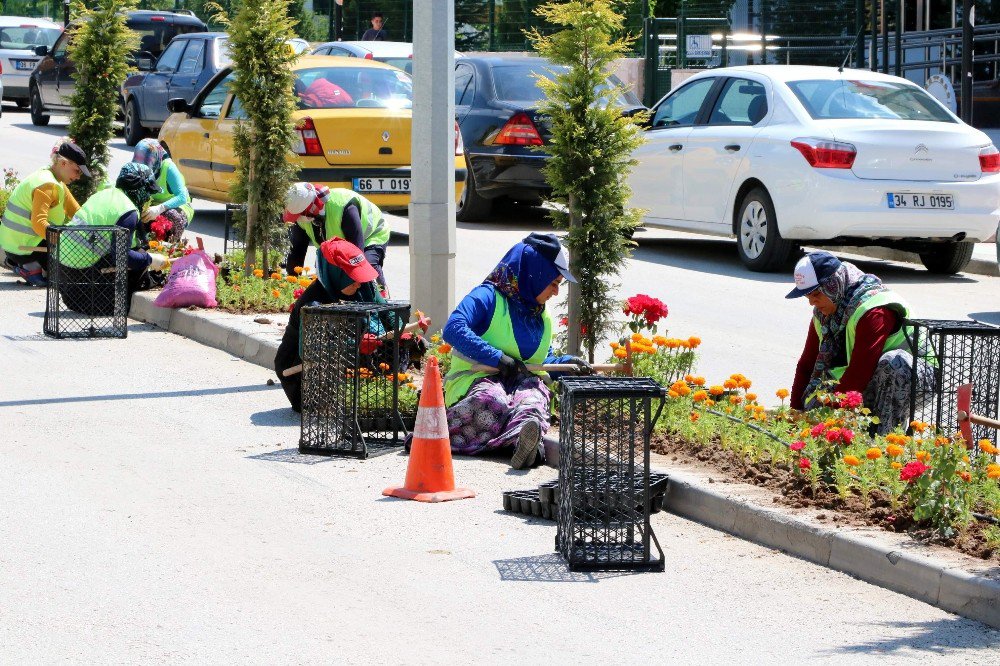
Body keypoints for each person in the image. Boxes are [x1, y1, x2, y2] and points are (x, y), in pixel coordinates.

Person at [442, 233, 592, 469]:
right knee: (495, 400)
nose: (556, 293)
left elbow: (541, 360)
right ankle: (436, 438)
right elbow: (453, 329)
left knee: (531, 403)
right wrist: (497, 358)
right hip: (477, 380)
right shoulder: (487, 296)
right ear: (535, 274)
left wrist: (567, 364)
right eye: (553, 283)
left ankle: (524, 443)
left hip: (520, 384)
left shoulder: (541, 313)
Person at [788, 251, 934, 434]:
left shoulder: (873, 309)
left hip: (917, 379)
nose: (812, 303)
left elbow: (859, 373)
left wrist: (829, 423)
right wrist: (795, 414)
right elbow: (807, 365)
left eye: (816, 294)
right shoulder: (823, 314)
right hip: (873, 375)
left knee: (892, 364)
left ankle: (883, 441)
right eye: (807, 297)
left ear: (833, 285)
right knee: (816, 399)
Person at [274, 237, 417, 412]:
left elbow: (386, 311)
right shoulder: (313, 304)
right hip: (303, 371)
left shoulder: (364, 286)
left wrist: (399, 329)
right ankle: (335, 403)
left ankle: (367, 400)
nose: (358, 282)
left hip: (357, 354)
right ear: (336, 274)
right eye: (353, 277)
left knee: (397, 345)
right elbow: (312, 351)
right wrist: (356, 345)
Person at [58, 163, 170, 314]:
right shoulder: (128, 212)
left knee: (137, 252)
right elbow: (121, 256)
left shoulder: (105, 194)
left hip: (64, 281)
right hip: (85, 292)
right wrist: (150, 260)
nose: (148, 197)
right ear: (140, 190)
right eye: (147, 192)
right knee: (139, 258)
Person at [0, 139, 89, 287]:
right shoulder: (47, 185)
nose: (78, 176)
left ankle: (29, 266)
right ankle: (29, 267)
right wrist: (67, 243)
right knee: (69, 271)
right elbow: (39, 223)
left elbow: (78, 213)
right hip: (23, 247)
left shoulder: (54, 179)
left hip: (15, 243)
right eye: (77, 171)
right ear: (63, 163)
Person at [283, 183, 391, 290]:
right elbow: (297, 250)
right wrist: (292, 283)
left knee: (366, 267)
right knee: (324, 273)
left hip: (372, 235)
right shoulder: (302, 216)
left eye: (299, 215)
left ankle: (381, 296)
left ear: (312, 207)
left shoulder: (344, 207)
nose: (298, 219)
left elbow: (357, 252)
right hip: (338, 244)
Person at [132, 139, 194, 243]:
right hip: (151, 207)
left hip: (176, 206)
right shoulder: (136, 167)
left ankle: (170, 247)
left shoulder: (168, 167)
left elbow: (182, 197)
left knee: (172, 215)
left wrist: (160, 208)